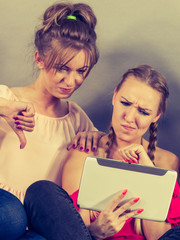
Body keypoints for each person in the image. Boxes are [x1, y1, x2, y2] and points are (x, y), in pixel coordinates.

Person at [24, 65, 180, 240]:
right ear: (114, 97)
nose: (129, 117)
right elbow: (72, 229)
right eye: (125, 103)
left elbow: (158, 236)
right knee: (42, 191)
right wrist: (96, 231)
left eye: (143, 112)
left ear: (156, 116)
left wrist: (149, 172)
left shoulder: (168, 161)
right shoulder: (84, 152)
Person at [0, 2, 104, 239]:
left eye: (81, 71)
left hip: (41, 222)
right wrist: (4, 108)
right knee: (12, 218)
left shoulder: (75, 116)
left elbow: (109, 147)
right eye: (63, 69)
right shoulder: (7, 97)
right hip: (5, 210)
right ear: (39, 59)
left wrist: (96, 136)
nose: (72, 80)